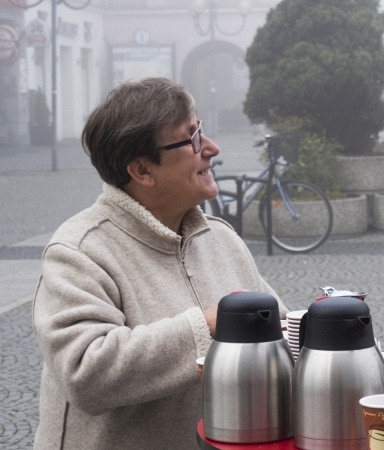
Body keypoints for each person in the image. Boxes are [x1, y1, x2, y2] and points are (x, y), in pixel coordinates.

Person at [31, 77, 288, 449]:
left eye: (201, 130)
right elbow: (85, 373)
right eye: (193, 138)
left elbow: (275, 325)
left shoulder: (220, 238)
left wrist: (324, 329)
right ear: (142, 171)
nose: (212, 148)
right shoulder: (79, 250)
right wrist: (210, 325)